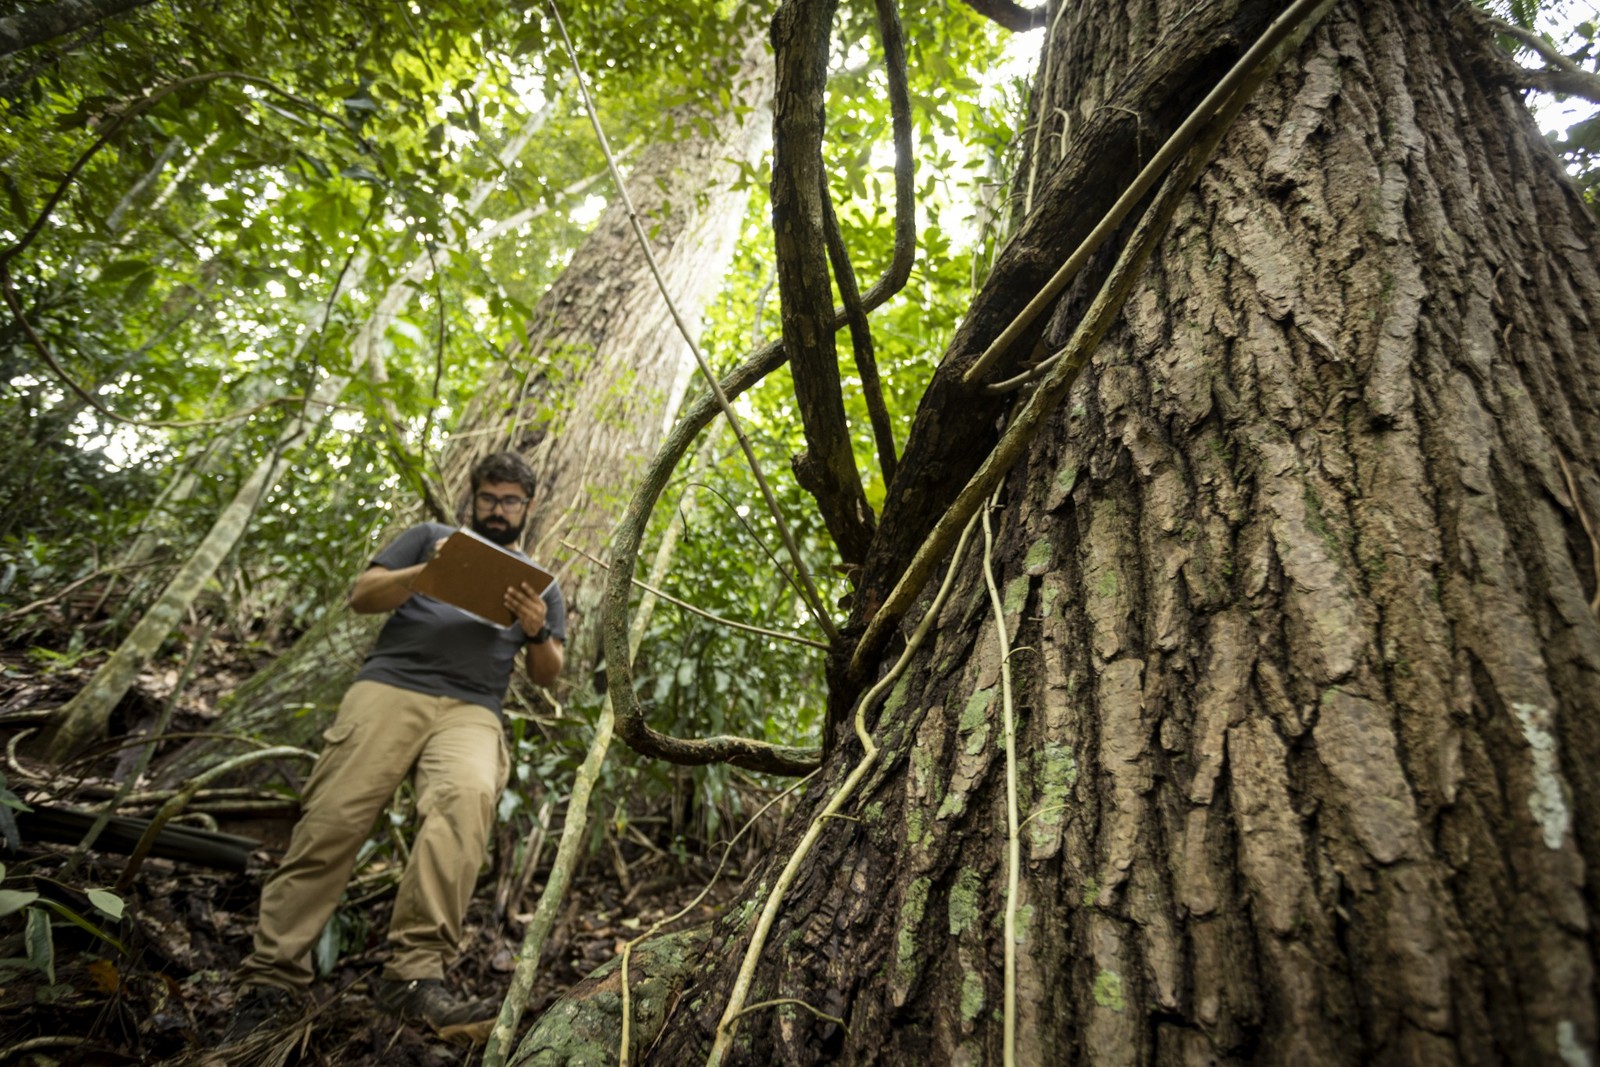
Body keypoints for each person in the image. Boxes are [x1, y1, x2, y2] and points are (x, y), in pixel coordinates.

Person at [228, 451, 566, 1043]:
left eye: (510, 500)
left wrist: (536, 627)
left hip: (472, 709)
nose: (498, 509)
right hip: (390, 687)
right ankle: (272, 977)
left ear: (528, 507)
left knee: (465, 806)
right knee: (334, 817)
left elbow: (547, 673)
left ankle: (412, 978)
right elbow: (363, 595)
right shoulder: (431, 537)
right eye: (489, 497)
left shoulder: (540, 582)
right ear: (473, 496)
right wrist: (423, 574)